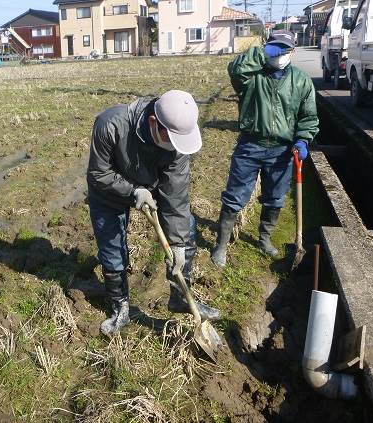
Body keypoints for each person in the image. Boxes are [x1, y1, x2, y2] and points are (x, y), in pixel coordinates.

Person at [87, 90, 221, 336]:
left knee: (186, 227)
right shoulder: (111, 124)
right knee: (112, 245)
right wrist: (132, 191)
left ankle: (181, 298)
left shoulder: (178, 143)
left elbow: (176, 195)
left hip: (152, 183)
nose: (174, 147)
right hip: (108, 190)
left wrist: (178, 244)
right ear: (153, 124)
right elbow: (98, 174)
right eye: (170, 139)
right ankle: (120, 307)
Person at [211, 30, 319, 268]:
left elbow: (308, 116)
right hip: (250, 146)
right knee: (234, 196)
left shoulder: (301, 81)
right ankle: (221, 244)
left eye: (284, 49)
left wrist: (302, 139)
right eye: (274, 48)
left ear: (293, 51)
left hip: (282, 151)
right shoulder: (251, 77)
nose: (279, 54)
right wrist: (263, 53)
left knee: (275, 197)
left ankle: (265, 238)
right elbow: (235, 69)